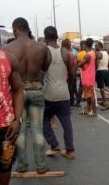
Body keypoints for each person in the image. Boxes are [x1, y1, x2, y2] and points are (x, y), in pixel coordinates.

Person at [4, 17, 51, 174]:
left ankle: (22, 165)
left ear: (15, 30)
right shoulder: (42, 47)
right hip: (36, 91)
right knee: (37, 129)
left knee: (20, 129)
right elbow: (45, 66)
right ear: (27, 28)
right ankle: (41, 166)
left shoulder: (8, 49)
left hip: (18, 94)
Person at [43, 26, 75, 160]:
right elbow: (72, 75)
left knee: (43, 121)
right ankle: (70, 151)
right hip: (64, 94)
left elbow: (39, 72)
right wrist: (69, 89)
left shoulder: (44, 52)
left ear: (45, 38)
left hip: (49, 94)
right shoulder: (66, 53)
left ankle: (54, 145)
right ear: (57, 37)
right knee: (67, 123)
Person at [0, 48, 23, 185]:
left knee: (5, 164)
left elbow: (18, 89)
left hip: (6, 127)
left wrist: (17, 120)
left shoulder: (9, 58)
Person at [78, 38, 97, 117]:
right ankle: (88, 110)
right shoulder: (93, 53)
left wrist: (80, 64)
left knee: (90, 95)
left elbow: (79, 64)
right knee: (88, 95)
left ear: (85, 45)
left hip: (87, 77)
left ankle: (94, 111)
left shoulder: (87, 55)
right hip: (90, 76)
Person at [95, 41, 109, 107]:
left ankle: (104, 100)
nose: (95, 47)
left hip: (100, 71)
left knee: (101, 87)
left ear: (99, 46)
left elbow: (97, 64)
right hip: (106, 71)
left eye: (96, 46)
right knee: (108, 84)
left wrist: (95, 71)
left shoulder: (99, 54)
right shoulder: (106, 53)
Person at [61, 38, 78, 107]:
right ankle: (70, 104)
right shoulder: (71, 54)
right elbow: (74, 66)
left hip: (62, 76)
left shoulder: (60, 54)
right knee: (71, 90)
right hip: (70, 76)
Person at [75, 41, 86, 107]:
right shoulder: (89, 53)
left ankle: (78, 101)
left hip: (82, 72)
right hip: (89, 73)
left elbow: (78, 64)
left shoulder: (79, 54)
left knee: (81, 87)